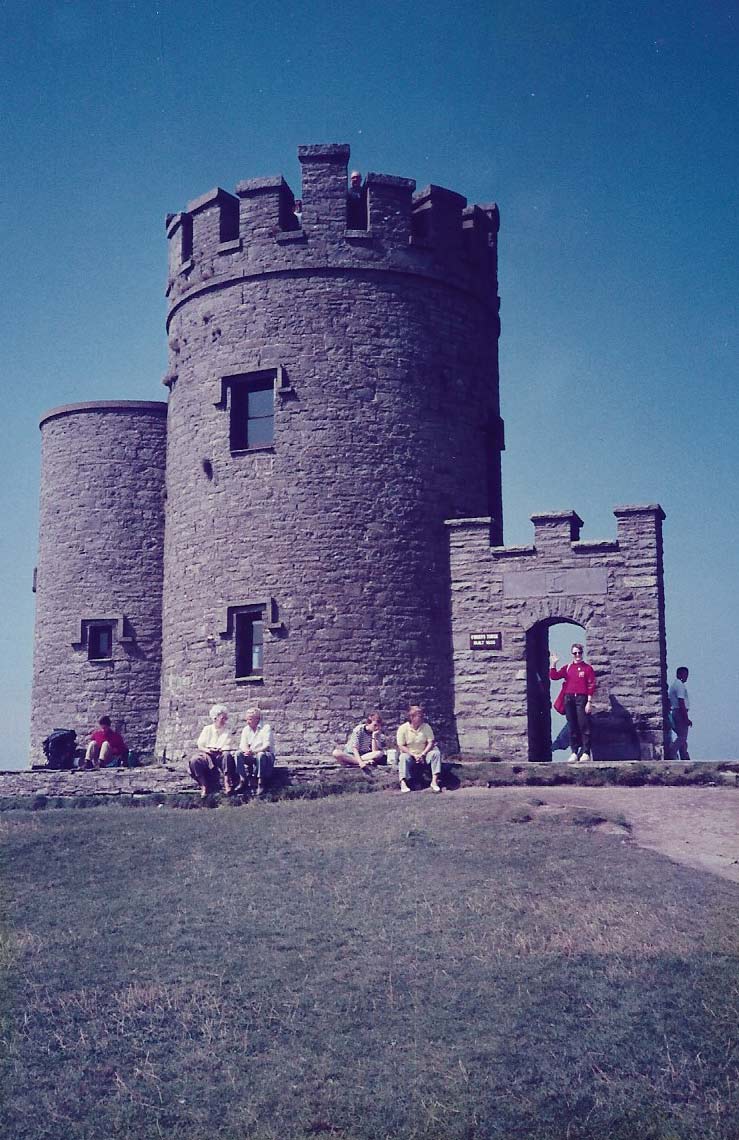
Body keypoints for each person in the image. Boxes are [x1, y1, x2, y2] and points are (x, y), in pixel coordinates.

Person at [549, 644, 597, 763]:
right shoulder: (568, 667)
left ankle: (586, 752)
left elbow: (591, 685)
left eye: (579, 653)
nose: (577, 655)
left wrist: (589, 702)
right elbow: (554, 676)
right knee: (572, 726)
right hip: (569, 698)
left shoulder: (587, 668)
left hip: (582, 698)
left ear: (582, 653)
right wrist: (553, 663)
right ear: (572, 654)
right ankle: (574, 752)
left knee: (583, 725)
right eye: (575, 653)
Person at [189, 704, 235, 798]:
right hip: (207, 753)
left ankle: (227, 782)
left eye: (225, 718)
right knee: (195, 760)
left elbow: (228, 744)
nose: (224, 721)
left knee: (227, 756)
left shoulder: (227, 731)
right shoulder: (207, 729)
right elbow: (200, 744)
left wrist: (220, 749)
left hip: (220, 754)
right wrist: (208, 750)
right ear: (215, 718)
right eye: (222, 718)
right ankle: (203, 785)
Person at [397, 705, 442, 793]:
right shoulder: (403, 728)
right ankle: (403, 783)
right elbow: (401, 745)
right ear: (412, 717)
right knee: (403, 758)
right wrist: (413, 755)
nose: (422, 718)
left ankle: (434, 781)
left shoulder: (426, 727)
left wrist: (423, 754)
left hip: (424, 754)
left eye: (422, 716)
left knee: (436, 753)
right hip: (410, 755)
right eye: (419, 716)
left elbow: (431, 742)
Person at [236, 707, 275, 796]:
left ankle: (260, 781)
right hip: (252, 755)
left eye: (250, 719)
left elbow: (267, 746)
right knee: (238, 754)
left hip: (265, 755)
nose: (247, 721)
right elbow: (242, 744)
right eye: (247, 719)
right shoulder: (246, 729)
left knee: (260, 755)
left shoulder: (266, 728)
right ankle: (243, 779)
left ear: (257, 719)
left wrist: (253, 751)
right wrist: (246, 750)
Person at [668, 666, 692, 761]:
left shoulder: (674, 685)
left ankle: (684, 756)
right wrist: (686, 718)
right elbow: (681, 701)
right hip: (680, 712)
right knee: (682, 736)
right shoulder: (680, 685)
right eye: (685, 674)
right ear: (680, 674)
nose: (686, 677)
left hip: (675, 711)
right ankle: (671, 753)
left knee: (682, 737)